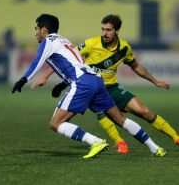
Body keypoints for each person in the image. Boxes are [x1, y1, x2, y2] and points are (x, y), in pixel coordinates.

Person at [12, 13, 166, 158]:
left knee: (56, 123)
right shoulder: (64, 40)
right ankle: (155, 148)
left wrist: (23, 79)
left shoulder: (48, 41)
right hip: (96, 80)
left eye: (36, 29)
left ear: (44, 30)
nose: (35, 33)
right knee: (121, 120)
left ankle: (95, 141)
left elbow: (36, 62)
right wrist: (62, 84)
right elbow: (78, 64)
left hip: (82, 83)